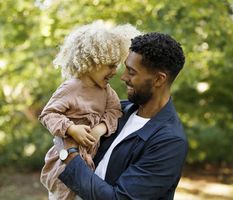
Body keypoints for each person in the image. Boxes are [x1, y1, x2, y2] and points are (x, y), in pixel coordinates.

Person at [58, 32, 189, 200]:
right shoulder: (117, 111)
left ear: (158, 79)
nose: (123, 77)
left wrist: (68, 155)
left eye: (132, 72)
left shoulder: (170, 142)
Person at [38, 21, 140, 200]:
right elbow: (48, 114)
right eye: (110, 65)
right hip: (63, 163)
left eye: (116, 65)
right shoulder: (70, 89)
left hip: (90, 162)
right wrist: (71, 129)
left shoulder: (107, 92)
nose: (115, 71)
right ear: (91, 61)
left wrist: (100, 128)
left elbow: (115, 111)